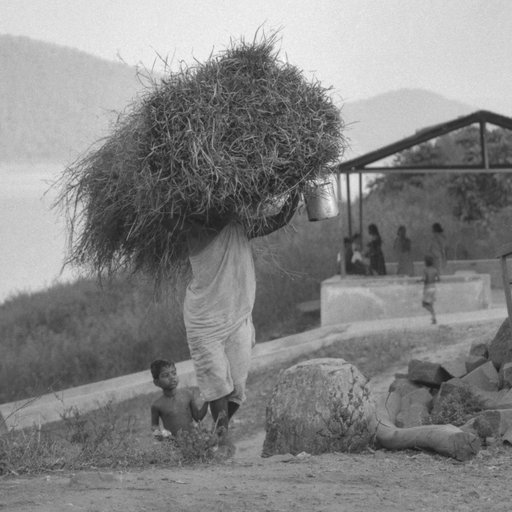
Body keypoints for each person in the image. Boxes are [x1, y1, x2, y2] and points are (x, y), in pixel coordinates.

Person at [183, 192, 299, 456]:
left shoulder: (239, 227)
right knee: (216, 381)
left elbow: (277, 220)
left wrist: (296, 193)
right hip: (204, 320)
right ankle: (223, 438)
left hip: (237, 315)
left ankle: (218, 430)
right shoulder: (194, 227)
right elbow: (173, 219)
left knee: (236, 386)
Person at [150, 358, 208, 440]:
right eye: (166, 375)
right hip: (174, 444)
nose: (172, 377)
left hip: (193, 441)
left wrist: (208, 399)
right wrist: (159, 434)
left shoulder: (187, 394)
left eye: (174, 373)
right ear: (156, 382)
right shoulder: (157, 405)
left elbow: (198, 417)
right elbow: (154, 426)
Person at [420, 255, 440, 324]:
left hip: (427, 287)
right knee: (431, 303)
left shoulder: (425, 270)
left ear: (426, 262)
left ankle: (434, 315)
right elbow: (439, 279)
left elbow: (424, 279)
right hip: (433, 287)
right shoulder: (435, 269)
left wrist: (419, 280)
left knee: (424, 304)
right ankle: (433, 318)